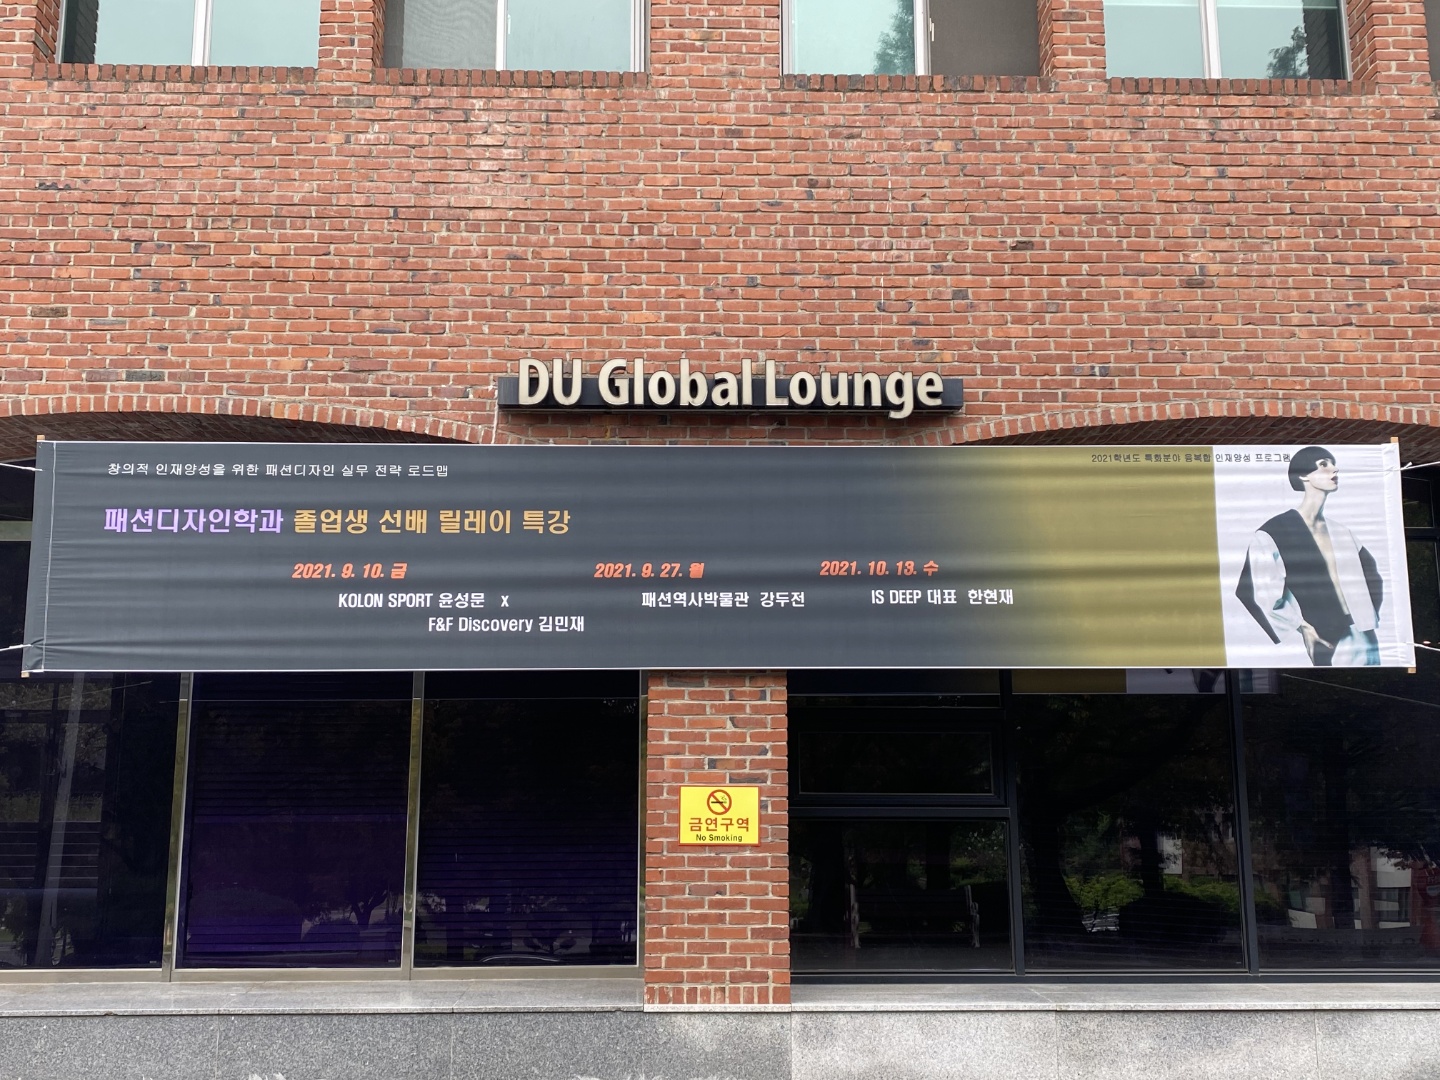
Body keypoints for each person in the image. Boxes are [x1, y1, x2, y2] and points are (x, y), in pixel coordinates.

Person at [1235, 446, 1383, 666]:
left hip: (1363, 634)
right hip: (1328, 638)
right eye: (1323, 464)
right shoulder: (1273, 532)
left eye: (1333, 464)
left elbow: (1373, 576)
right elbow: (1257, 592)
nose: (1334, 469)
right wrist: (1303, 627)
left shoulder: (1342, 532)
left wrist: (1367, 618)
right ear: (1303, 475)